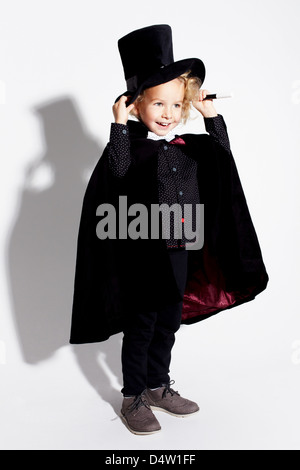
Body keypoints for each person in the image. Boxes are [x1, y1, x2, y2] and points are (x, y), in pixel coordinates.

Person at [70, 25, 268, 436]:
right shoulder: (129, 149)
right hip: (142, 252)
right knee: (141, 324)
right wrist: (119, 126)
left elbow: (223, 161)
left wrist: (211, 117)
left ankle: (159, 385)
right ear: (136, 104)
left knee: (169, 320)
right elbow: (118, 174)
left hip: (180, 247)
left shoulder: (191, 146)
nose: (167, 113)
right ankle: (133, 396)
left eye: (176, 105)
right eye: (157, 103)